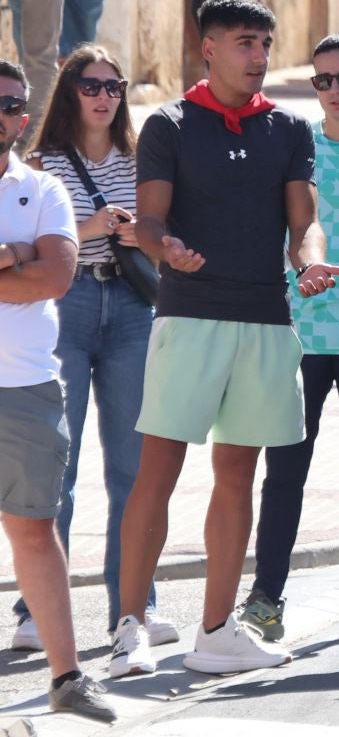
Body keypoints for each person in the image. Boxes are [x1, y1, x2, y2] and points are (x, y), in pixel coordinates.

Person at [112, 0, 338, 679]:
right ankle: (128, 629)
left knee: (236, 477)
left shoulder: (292, 128)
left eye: (265, 44)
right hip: (188, 317)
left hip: (267, 320)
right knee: (159, 472)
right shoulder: (169, 125)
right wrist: (166, 249)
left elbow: (305, 224)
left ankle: (215, 632)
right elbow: (146, 224)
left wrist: (311, 260)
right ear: (207, 47)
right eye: (245, 43)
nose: (259, 58)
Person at [10, 49, 173, 652]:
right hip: (67, 307)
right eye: (91, 85)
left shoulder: (140, 160)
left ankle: (135, 606)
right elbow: (30, 249)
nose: (104, 96)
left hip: (132, 306)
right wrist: (93, 227)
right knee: (61, 464)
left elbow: (164, 242)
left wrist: (143, 235)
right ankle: (36, 610)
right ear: (70, 93)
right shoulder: (42, 165)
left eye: (114, 85)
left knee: (133, 465)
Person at [240, 35, 339, 646]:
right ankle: (265, 600)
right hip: (298, 338)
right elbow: (277, 227)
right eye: (323, 80)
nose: (335, 91)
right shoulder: (294, 143)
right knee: (283, 473)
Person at [0, 59, 118, 721]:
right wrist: (16, 254)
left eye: (16, 105)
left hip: (24, 387)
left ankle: (67, 677)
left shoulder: (43, 190)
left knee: (35, 531)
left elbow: (56, 279)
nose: (6, 114)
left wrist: (25, 261)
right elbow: (34, 269)